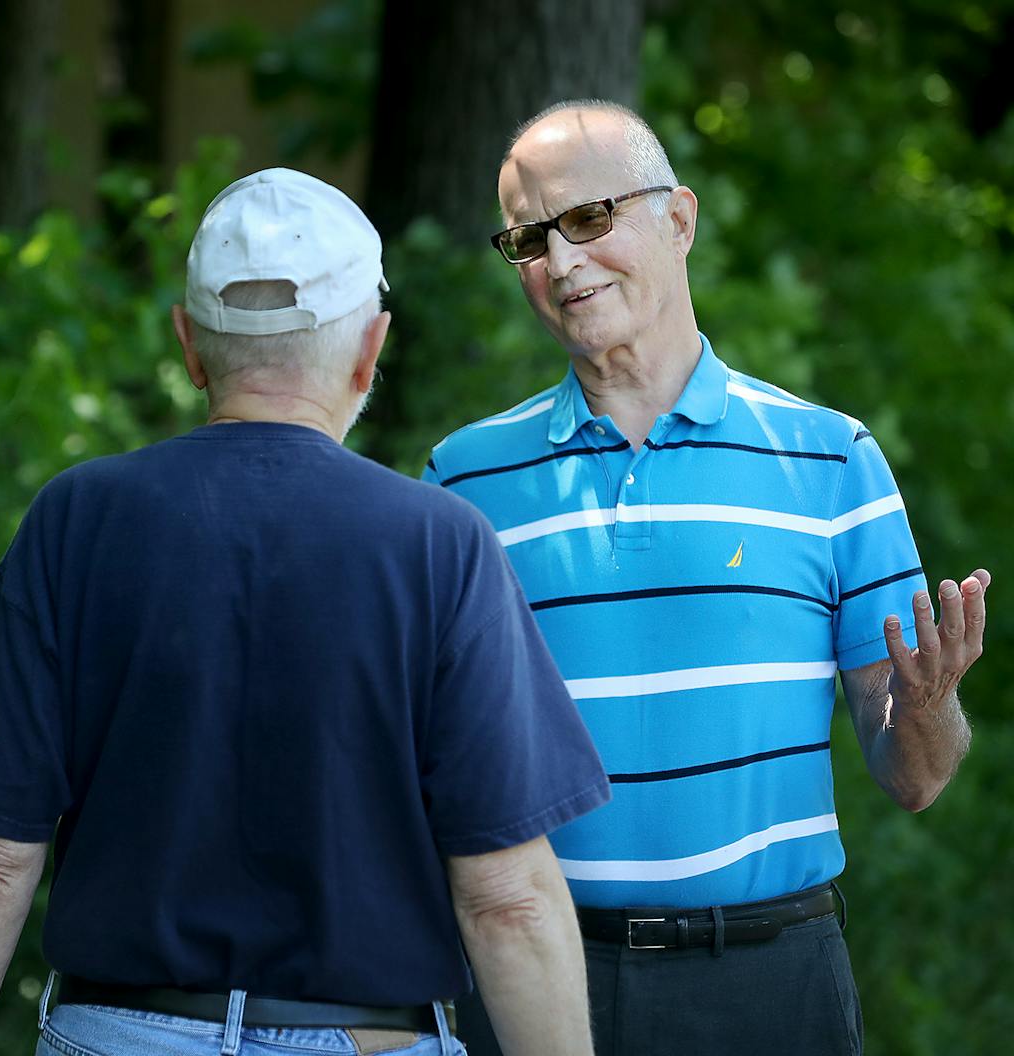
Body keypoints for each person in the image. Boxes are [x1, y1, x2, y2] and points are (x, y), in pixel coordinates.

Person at [0, 167, 613, 1056]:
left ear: (190, 345)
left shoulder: (78, 519)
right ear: (370, 347)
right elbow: (508, 899)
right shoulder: (440, 544)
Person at [423, 100, 990, 1056]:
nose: (561, 264)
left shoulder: (830, 459)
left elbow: (914, 781)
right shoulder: (461, 481)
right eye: (528, 238)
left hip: (769, 983)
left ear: (678, 220)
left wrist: (927, 708)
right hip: (532, 986)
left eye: (589, 219)